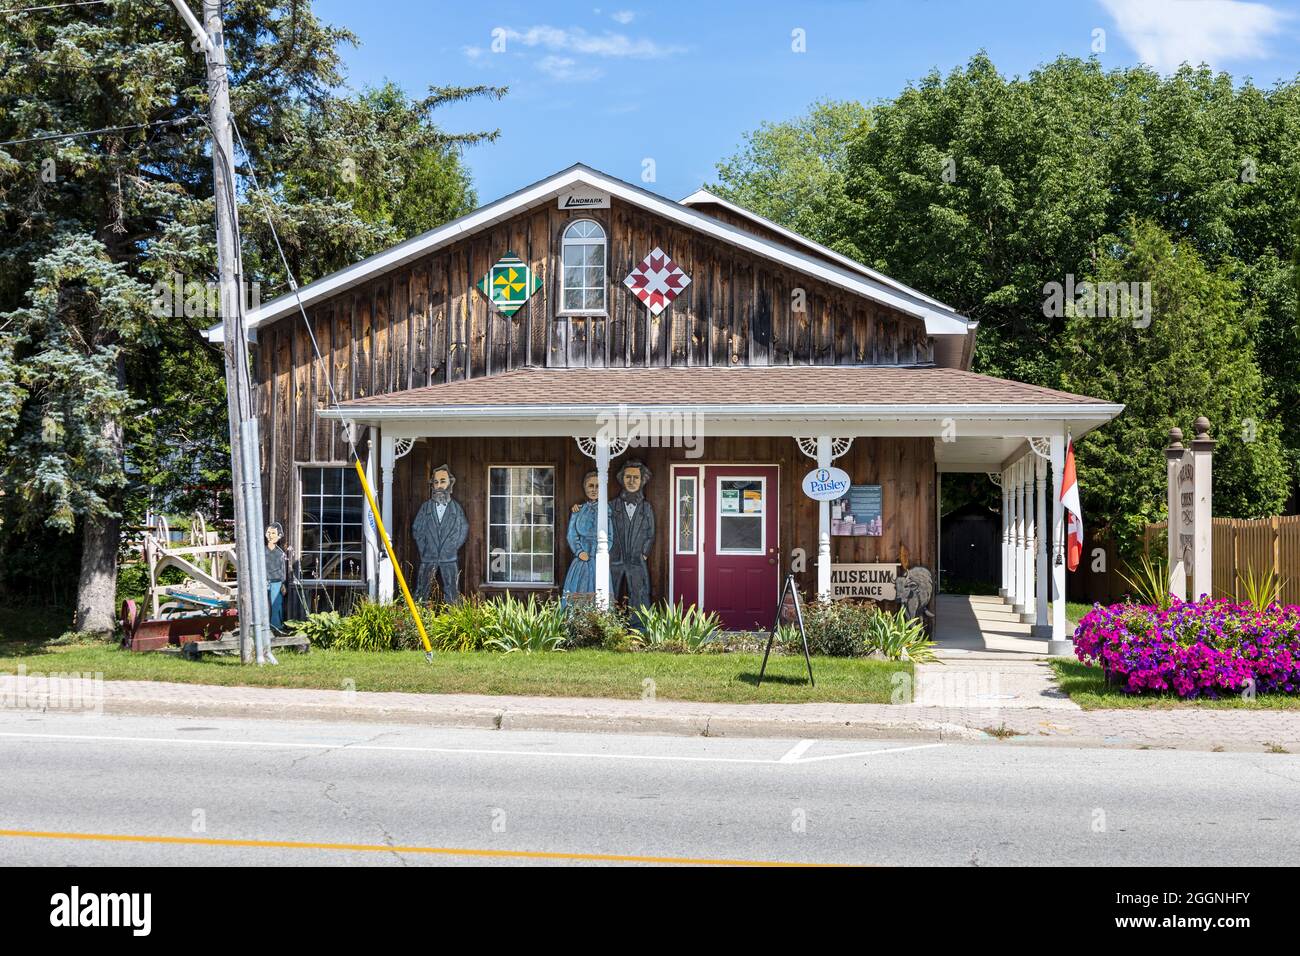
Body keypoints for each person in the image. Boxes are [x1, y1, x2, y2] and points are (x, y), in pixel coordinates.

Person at [412, 464, 469, 603]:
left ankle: (453, 620)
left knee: (452, 592)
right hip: (428, 557)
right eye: (436, 482)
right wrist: (424, 548)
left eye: (443, 481)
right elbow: (417, 529)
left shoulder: (456, 509)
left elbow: (463, 529)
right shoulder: (425, 508)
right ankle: (417, 618)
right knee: (422, 591)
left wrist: (451, 547)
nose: (439, 485)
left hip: (449, 558)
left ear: (450, 483)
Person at [609, 460, 654, 610]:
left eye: (636, 477)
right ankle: (609, 625)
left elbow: (650, 533)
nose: (632, 481)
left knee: (639, 592)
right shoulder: (612, 506)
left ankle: (640, 627)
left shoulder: (646, 508)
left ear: (642, 480)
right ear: (622, 478)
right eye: (628, 477)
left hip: (637, 558)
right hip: (615, 557)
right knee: (610, 591)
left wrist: (644, 553)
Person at [562, 471, 611, 606]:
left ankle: (600, 622)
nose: (594, 489)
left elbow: (610, 536)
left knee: (600, 592)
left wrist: (602, 553)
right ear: (585, 487)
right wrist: (579, 551)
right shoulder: (579, 510)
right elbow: (571, 534)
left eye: (598, 486)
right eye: (591, 486)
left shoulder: (606, 510)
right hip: (582, 559)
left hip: (599, 560)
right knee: (580, 591)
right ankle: (576, 623)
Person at [263, 522, 288, 664]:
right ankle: (264, 628)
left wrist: (283, 583)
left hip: (277, 581)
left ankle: (276, 628)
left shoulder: (280, 553)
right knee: (264, 605)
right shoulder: (263, 551)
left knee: (276, 604)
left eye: (273, 533)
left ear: (279, 536)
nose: (270, 535)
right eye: (269, 533)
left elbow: (282, 569)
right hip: (264, 581)